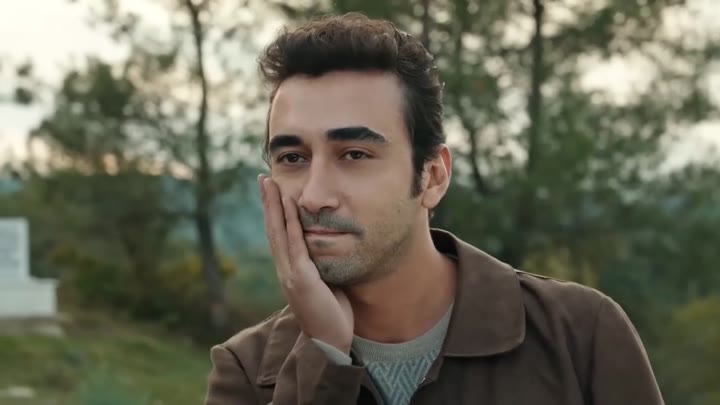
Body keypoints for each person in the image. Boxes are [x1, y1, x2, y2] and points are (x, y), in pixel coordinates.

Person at [204, 12, 664, 405]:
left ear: (433, 176)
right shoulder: (246, 371)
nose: (314, 195)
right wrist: (324, 360)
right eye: (292, 158)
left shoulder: (580, 337)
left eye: (354, 154)